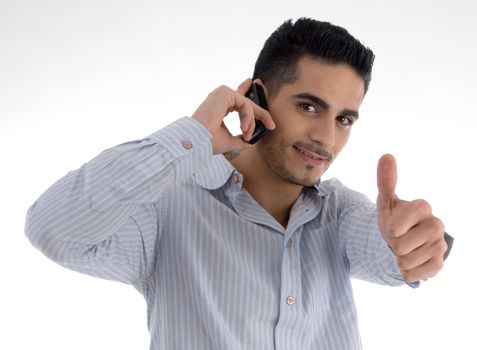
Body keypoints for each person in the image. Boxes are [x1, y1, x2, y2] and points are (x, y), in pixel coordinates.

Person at [25, 17, 453, 350]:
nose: (327, 137)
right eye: (308, 106)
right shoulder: (170, 208)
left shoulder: (341, 213)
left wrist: (416, 245)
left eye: (343, 119)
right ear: (257, 97)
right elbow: (54, 231)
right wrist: (191, 135)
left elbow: (388, 250)